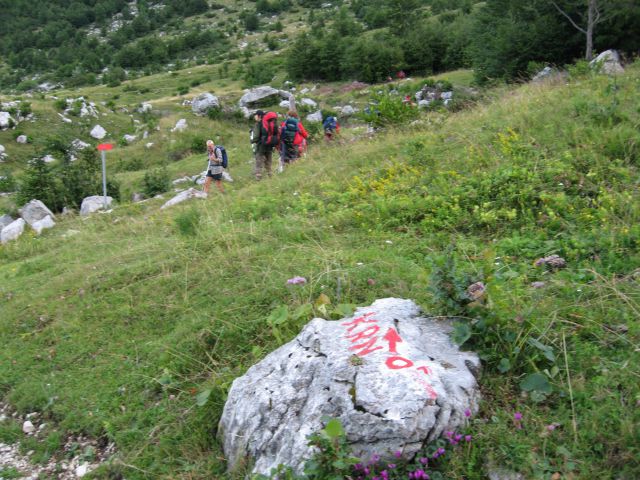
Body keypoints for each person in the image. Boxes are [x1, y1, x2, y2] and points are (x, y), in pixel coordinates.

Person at [251, 110, 279, 181]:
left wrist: (253, 140)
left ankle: (258, 178)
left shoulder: (259, 124)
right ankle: (270, 176)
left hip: (261, 146)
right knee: (268, 161)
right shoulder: (269, 122)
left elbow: (256, 136)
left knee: (259, 161)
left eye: (256, 115)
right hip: (269, 144)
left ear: (259, 116)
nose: (255, 116)